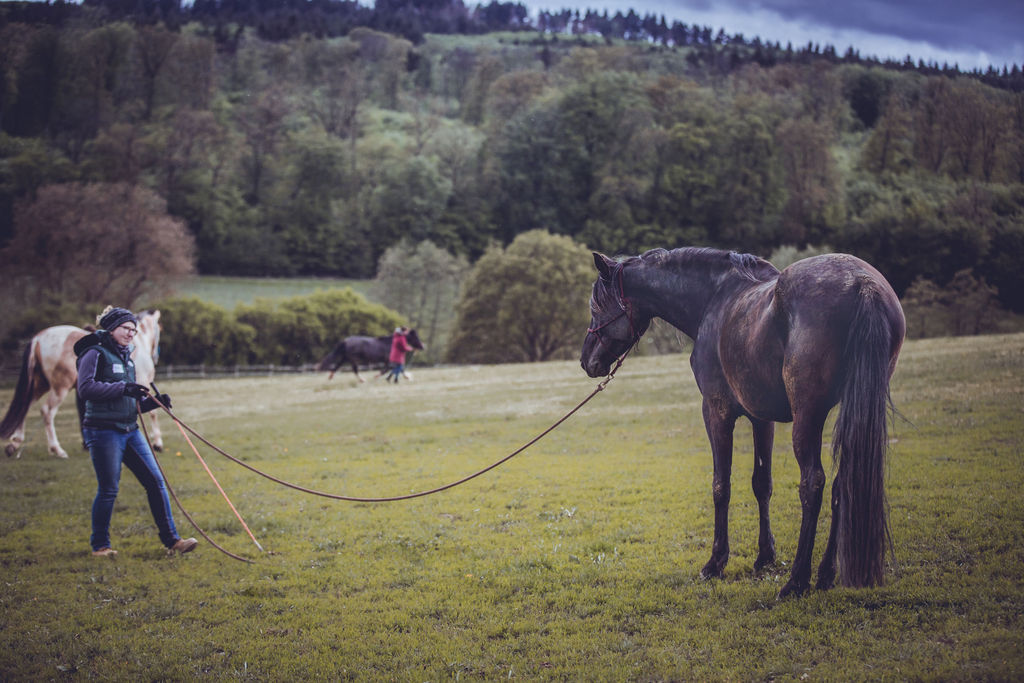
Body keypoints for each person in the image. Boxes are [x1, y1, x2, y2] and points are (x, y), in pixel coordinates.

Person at [75, 306, 197, 558]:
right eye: (125, 328)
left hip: (130, 429)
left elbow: (130, 401)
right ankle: (100, 546)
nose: (131, 333)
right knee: (109, 489)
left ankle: (173, 541)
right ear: (111, 329)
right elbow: (85, 389)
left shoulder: (126, 358)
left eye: (133, 329)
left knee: (155, 481)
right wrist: (123, 389)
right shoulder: (94, 353)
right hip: (102, 431)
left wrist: (154, 402)